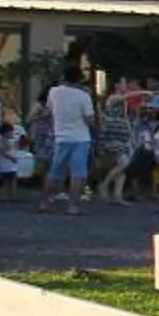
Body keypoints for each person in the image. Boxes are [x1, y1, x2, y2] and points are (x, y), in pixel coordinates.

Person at [39, 73, 96, 212]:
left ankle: (45, 202)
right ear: (80, 81)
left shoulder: (54, 92)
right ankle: (73, 205)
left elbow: (49, 109)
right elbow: (90, 120)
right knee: (78, 172)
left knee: (55, 171)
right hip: (81, 137)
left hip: (61, 136)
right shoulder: (84, 96)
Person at [95, 77, 141, 205]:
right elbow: (126, 96)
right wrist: (144, 92)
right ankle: (104, 184)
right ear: (116, 85)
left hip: (122, 137)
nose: (126, 86)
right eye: (124, 83)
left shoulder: (124, 103)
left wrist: (131, 136)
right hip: (112, 137)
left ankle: (117, 196)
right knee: (123, 163)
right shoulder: (112, 98)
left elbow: (125, 119)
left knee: (122, 169)